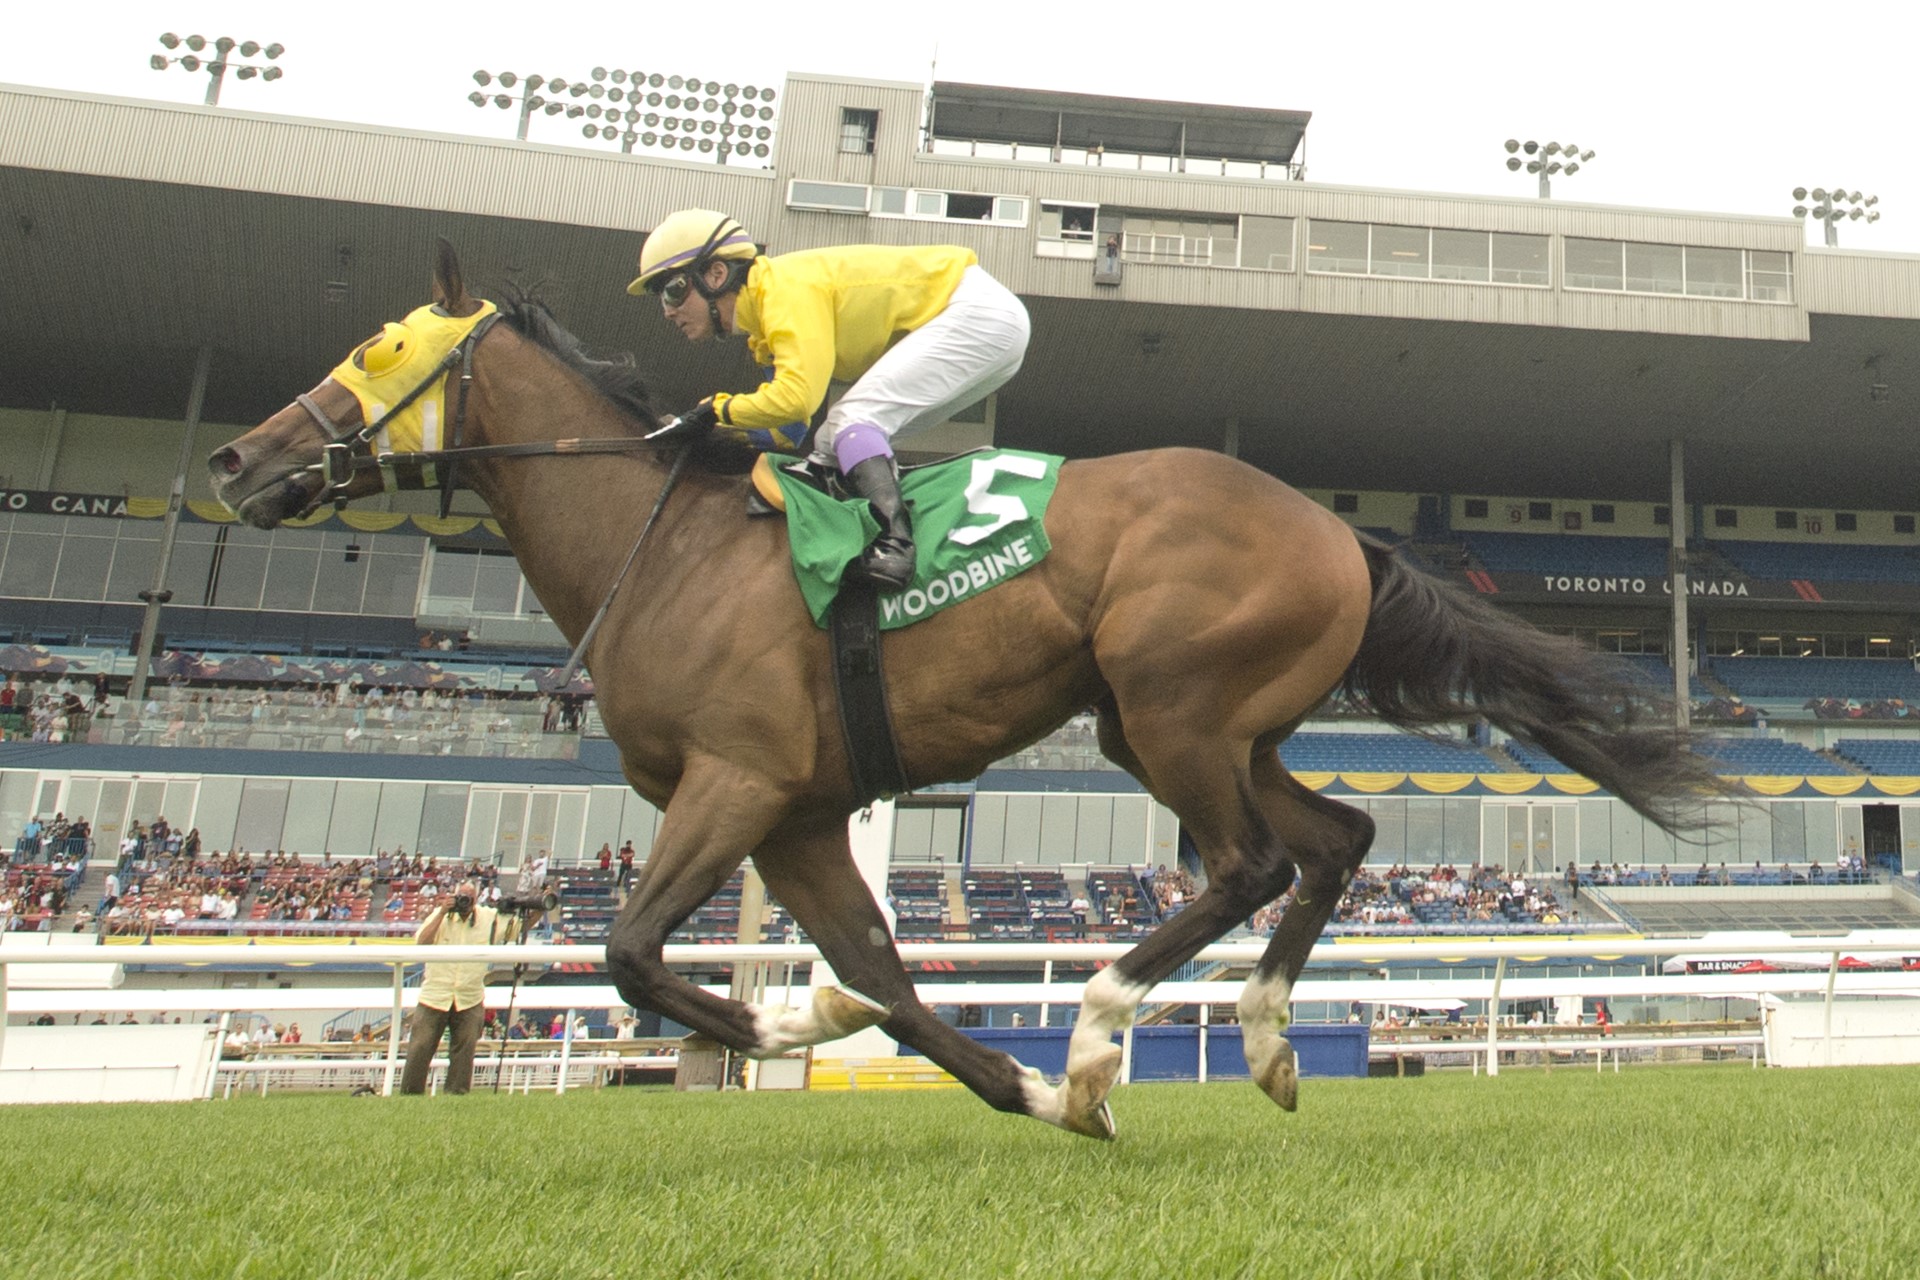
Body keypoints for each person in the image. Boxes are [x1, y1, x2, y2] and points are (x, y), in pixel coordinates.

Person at [628, 209, 1032, 590]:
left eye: (673, 291)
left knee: (852, 420)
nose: (668, 311)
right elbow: (787, 432)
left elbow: (795, 400)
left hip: (978, 313)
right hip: (985, 322)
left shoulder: (784, 290)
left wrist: (715, 410)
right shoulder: (763, 330)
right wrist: (707, 434)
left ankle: (896, 546)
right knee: (830, 441)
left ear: (716, 274)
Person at [399, 879, 541, 1096]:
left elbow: (519, 929)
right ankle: (410, 1094)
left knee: (465, 1050)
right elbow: (422, 943)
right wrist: (441, 914)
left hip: (470, 996)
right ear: (453, 897)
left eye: (469, 898)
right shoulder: (440, 915)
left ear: (476, 899)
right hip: (435, 994)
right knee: (420, 1046)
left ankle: (457, 1095)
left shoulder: (488, 918)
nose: (465, 902)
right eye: (461, 897)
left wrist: (540, 907)